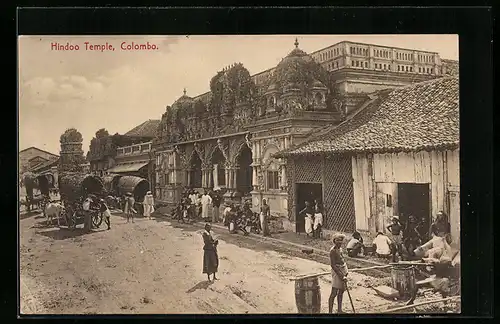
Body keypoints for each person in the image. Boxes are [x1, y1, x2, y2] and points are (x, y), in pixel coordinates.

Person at [328, 233, 349, 314]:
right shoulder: (332, 251)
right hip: (337, 272)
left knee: (341, 291)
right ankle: (330, 312)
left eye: (341, 240)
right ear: (334, 241)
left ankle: (339, 310)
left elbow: (342, 260)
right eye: (338, 240)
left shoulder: (340, 249)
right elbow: (333, 265)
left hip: (343, 269)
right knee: (334, 293)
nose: (339, 242)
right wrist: (341, 275)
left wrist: (345, 272)